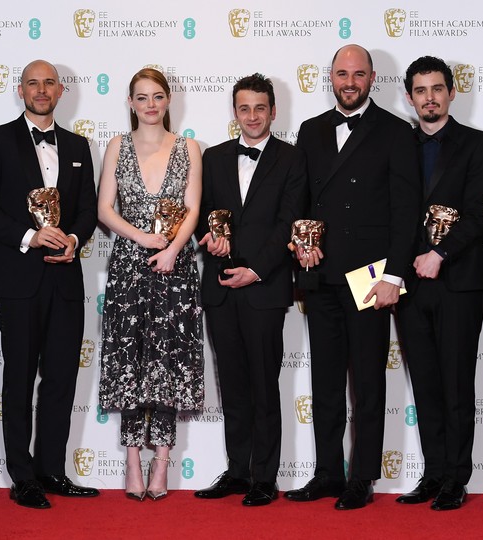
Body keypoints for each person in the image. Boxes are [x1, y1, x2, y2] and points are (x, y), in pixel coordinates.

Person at [285, 44, 421, 510]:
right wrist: (300, 244)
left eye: (358, 74)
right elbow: (299, 200)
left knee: (367, 383)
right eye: (341, 73)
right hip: (320, 275)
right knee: (324, 382)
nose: (349, 81)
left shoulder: (396, 132)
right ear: (331, 77)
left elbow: (406, 213)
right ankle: (326, 472)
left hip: (370, 276)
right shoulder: (312, 130)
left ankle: (361, 477)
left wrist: (396, 276)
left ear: (372, 78)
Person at [0, 60, 99, 509]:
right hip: (18, 278)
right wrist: (29, 236)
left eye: (49, 83)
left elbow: (87, 210)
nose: (41, 90)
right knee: (20, 377)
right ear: (19, 89)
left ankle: (52, 470)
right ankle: (22, 477)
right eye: (32, 83)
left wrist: (75, 239)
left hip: (65, 279)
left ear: (61, 90)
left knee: (61, 378)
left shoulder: (80, 145)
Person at [193, 74, 307, 506]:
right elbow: (202, 212)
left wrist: (256, 269)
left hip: (264, 288)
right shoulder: (214, 156)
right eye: (245, 108)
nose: (253, 116)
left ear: (273, 111)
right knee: (233, 385)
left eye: (261, 108)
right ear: (234, 112)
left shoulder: (293, 159)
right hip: (221, 286)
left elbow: (290, 221)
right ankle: (237, 470)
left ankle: (265, 476)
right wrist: (211, 237)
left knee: (263, 384)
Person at [394, 56, 483, 511]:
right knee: (426, 384)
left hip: (457, 280)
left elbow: (479, 213)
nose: (429, 97)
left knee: (457, 383)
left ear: (452, 93)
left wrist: (439, 254)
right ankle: (433, 473)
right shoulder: (398, 144)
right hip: (409, 285)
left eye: (437, 88)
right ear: (410, 96)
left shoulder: (477, 145)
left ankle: (457, 477)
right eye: (420, 90)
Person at [97, 68, 204, 501]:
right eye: (142, 98)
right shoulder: (116, 147)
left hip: (175, 268)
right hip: (128, 266)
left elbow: (194, 209)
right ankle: (131, 460)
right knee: (129, 361)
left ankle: (162, 459)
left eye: (157, 96)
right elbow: (105, 209)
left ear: (168, 100)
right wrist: (142, 239)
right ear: (130, 102)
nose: (151, 105)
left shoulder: (189, 148)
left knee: (166, 362)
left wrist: (173, 250)